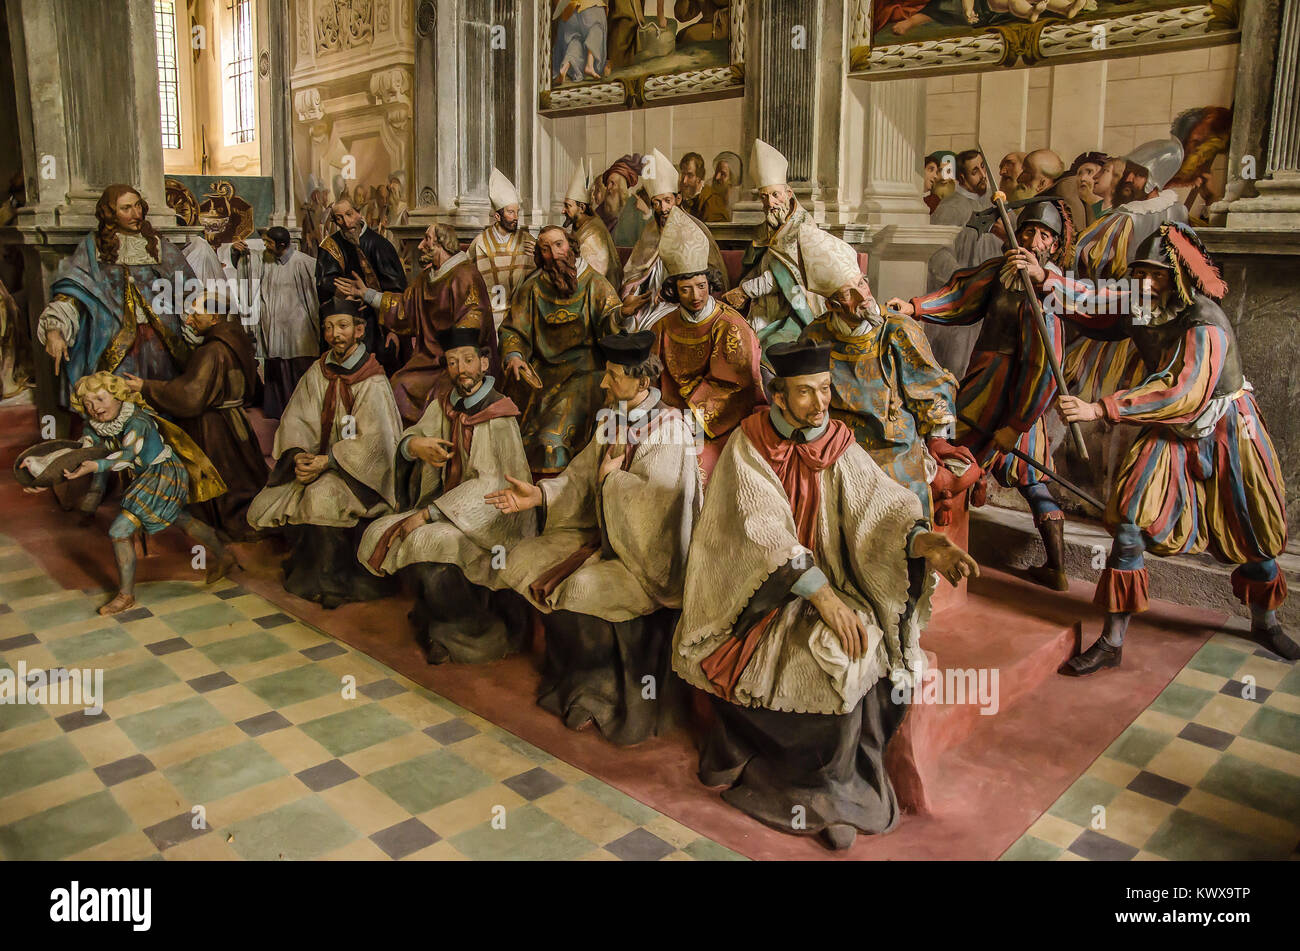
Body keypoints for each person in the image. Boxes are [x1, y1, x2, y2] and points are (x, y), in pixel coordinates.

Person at [671, 341, 978, 851]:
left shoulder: (835, 441)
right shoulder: (749, 445)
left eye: (825, 390)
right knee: (826, 663)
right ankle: (804, 791)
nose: (819, 404)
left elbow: (881, 507)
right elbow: (759, 532)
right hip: (759, 597)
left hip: (835, 584)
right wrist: (823, 598)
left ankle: (842, 790)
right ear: (778, 396)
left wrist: (926, 542)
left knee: (861, 653)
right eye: (805, 393)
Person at [1058, 224, 1296, 670]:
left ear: (1180, 275)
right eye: (1141, 273)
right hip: (1170, 429)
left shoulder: (1205, 321)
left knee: (1255, 535)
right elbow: (1091, 305)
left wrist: (1100, 409)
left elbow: (1181, 392)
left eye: (1157, 274)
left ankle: (1266, 623)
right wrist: (1043, 280)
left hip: (1225, 428)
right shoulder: (1141, 302)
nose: (1146, 283)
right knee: (1130, 523)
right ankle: (1112, 641)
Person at [889, 200, 1122, 591]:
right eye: (1027, 231)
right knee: (958, 458)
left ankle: (1055, 567)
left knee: (1014, 474)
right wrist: (914, 308)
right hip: (984, 384)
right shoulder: (998, 274)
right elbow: (959, 297)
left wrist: (1016, 425)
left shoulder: (1049, 294)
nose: (1030, 240)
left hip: (1020, 399)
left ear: (1053, 247)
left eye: (1042, 235)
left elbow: (1044, 368)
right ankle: (941, 550)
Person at [487, 331, 700, 745]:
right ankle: (574, 681)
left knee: (582, 587)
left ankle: (606, 696)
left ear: (642, 382)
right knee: (521, 558)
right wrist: (541, 494)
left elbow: (654, 512)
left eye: (614, 376)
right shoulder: (615, 417)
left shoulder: (671, 429)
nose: (604, 383)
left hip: (650, 561)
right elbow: (583, 476)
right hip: (605, 537)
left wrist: (612, 482)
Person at [359, 327, 535, 664]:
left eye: (468, 360)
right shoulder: (446, 406)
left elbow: (491, 484)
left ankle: (470, 632)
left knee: (425, 541)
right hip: (449, 508)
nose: (461, 370)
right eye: (453, 363)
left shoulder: (498, 414)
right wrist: (416, 446)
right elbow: (414, 435)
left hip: (493, 521)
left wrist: (427, 515)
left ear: (484, 363)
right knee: (379, 531)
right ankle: (435, 617)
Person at [27, 371, 234, 616]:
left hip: (161, 476)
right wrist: (46, 476)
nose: (94, 408)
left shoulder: (138, 422)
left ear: (118, 397)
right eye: (88, 403)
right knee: (179, 518)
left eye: (100, 400)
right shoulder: (95, 424)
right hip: (146, 477)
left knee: (119, 531)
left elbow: (127, 456)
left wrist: (95, 466)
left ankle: (125, 596)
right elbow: (81, 453)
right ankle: (225, 555)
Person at [798, 229, 965, 522]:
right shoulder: (814, 337)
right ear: (832, 305)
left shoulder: (898, 331)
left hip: (894, 449)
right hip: (837, 445)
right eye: (850, 292)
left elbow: (934, 387)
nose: (865, 295)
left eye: (862, 283)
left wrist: (940, 439)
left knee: (899, 514)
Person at [246, 300, 402, 608]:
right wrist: (300, 456)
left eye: (343, 326)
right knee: (266, 503)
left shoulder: (372, 380)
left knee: (321, 496)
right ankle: (311, 571)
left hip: (360, 476)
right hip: (318, 465)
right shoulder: (319, 372)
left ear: (359, 331)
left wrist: (329, 461)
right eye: (329, 327)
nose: (334, 334)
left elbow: (376, 443)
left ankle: (333, 581)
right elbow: (298, 419)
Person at [125, 297, 267, 540]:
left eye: (195, 315)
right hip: (234, 421)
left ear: (214, 318)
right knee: (243, 473)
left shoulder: (212, 350)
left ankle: (227, 525)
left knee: (225, 479)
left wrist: (145, 386)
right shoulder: (235, 338)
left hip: (215, 426)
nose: (189, 321)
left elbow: (190, 395)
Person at [37, 184, 192, 407]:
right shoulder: (93, 248)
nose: (136, 214)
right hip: (112, 338)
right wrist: (54, 329)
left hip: (162, 340)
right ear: (111, 213)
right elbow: (72, 292)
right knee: (115, 397)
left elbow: (189, 288)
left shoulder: (158, 245)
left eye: (138, 206)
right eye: (126, 208)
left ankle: (162, 438)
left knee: (161, 396)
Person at [337, 223, 498, 426]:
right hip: (427, 361)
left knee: (441, 396)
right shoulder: (426, 279)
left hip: (457, 361)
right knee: (398, 386)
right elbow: (404, 307)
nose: (421, 246)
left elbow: (475, 318)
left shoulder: (465, 275)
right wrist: (367, 294)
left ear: (442, 244)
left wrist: (454, 355)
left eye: (427, 239)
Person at [499, 226, 624, 477]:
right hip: (542, 374)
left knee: (549, 441)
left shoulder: (596, 284)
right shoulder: (533, 288)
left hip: (585, 372)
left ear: (571, 246)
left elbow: (612, 330)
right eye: (545, 249)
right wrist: (514, 356)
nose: (554, 254)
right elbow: (513, 330)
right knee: (511, 438)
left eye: (558, 245)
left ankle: (555, 501)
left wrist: (621, 314)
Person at [651, 207, 764, 482]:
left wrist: (692, 419)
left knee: (692, 469)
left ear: (710, 283)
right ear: (674, 291)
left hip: (717, 424)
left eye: (701, 286)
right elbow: (652, 375)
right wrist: (659, 412)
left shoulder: (730, 326)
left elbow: (734, 385)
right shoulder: (663, 325)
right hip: (669, 417)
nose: (695, 296)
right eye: (686, 289)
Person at [723, 138, 826, 351]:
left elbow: (784, 275)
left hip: (795, 309)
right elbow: (755, 266)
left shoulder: (803, 227)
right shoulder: (765, 227)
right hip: (764, 306)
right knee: (736, 344)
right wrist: (743, 287)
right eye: (764, 197)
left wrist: (745, 291)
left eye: (775, 195)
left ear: (789, 193)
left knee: (769, 349)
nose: (770, 203)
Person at [619, 147, 728, 331]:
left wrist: (671, 293)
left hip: (683, 303)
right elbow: (635, 273)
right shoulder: (650, 232)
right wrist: (633, 295)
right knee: (629, 326)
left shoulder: (696, 229)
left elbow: (710, 277)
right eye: (657, 203)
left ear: (677, 199)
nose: (663, 208)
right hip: (650, 303)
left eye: (667, 201)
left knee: (656, 329)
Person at [231, 226, 319, 420]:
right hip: (274, 326)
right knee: (277, 368)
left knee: (298, 369)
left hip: (298, 328)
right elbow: (248, 263)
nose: (265, 246)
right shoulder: (266, 259)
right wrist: (237, 252)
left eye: (269, 243)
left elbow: (317, 294)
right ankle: (279, 410)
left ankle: (303, 413)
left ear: (282, 245)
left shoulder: (304, 263)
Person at [315, 197, 407, 373]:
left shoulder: (380, 245)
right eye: (339, 218)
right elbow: (324, 282)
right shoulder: (330, 246)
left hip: (375, 323)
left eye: (349, 214)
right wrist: (341, 293)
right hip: (342, 319)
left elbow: (397, 292)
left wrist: (393, 330)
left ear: (359, 213)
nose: (346, 222)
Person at [926, 149, 994, 375]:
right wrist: (968, 281)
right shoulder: (952, 207)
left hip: (989, 304)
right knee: (956, 369)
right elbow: (937, 253)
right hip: (961, 306)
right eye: (975, 171)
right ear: (962, 178)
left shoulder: (993, 205)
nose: (983, 175)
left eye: (983, 167)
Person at [469, 169, 537, 330]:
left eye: (517, 212)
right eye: (510, 212)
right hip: (488, 317)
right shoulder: (480, 244)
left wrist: (540, 255)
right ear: (497, 216)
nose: (515, 217)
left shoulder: (528, 241)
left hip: (521, 317)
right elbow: (466, 279)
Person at [562, 159, 623, 288]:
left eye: (568, 206)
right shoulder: (579, 225)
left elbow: (587, 277)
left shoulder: (593, 235)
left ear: (582, 208)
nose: (563, 211)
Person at [552, 0, 609, 84]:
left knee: (575, 41)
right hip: (589, 8)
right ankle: (590, 64)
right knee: (596, 28)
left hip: (568, 14)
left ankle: (564, 67)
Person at [678, 151, 708, 219]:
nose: (684, 181)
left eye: (690, 175)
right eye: (683, 174)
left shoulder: (709, 199)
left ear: (699, 177)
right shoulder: (680, 197)